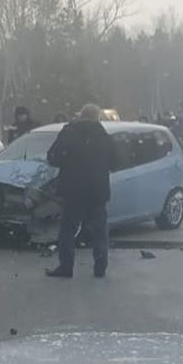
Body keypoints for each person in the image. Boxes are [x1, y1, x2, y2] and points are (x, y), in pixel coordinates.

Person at [44, 103, 116, 279]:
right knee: (99, 231)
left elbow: (52, 157)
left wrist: (70, 163)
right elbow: (116, 162)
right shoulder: (104, 136)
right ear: (97, 117)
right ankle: (100, 267)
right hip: (97, 190)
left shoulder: (69, 132)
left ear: (81, 115)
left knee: (68, 230)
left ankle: (66, 267)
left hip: (73, 189)